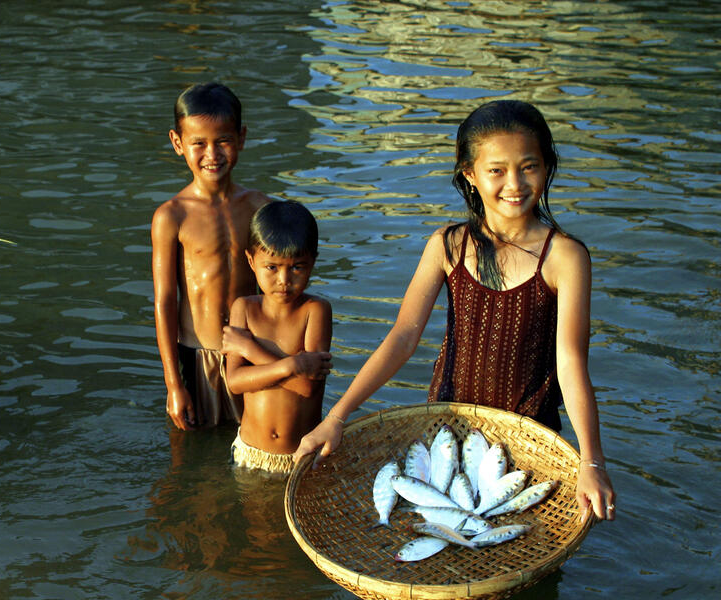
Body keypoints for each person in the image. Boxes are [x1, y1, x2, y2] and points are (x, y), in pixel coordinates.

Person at [292, 100, 617, 521]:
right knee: (445, 543)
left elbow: (570, 361)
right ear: (470, 174)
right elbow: (403, 338)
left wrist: (592, 463)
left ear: (548, 166)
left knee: (516, 547)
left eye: (529, 166)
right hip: (449, 429)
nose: (514, 183)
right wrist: (336, 416)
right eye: (496, 170)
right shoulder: (447, 246)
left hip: (530, 439)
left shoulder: (564, 257)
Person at [151, 82, 271, 430]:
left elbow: (277, 287)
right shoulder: (172, 216)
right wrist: (174, 384)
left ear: (241, 138)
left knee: (257, 444)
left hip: (251, 351)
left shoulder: (259, 208)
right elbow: (164, 301)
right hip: (197, 355)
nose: (212, 154)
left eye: (223, 141)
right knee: (191, 449)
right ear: (177, 143)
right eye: (198, 143)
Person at [222, 201, 333, 475]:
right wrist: (290, 365)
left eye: (297, 267)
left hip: (299, 454)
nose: (284, 279)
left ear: (313, 263)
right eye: (271, 267)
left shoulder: (315, 311)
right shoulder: (244, 309)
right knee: (252, 516)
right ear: (251, 260)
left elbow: (307, 388)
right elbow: (234, 382)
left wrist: (251, 349)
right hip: (251, 451)